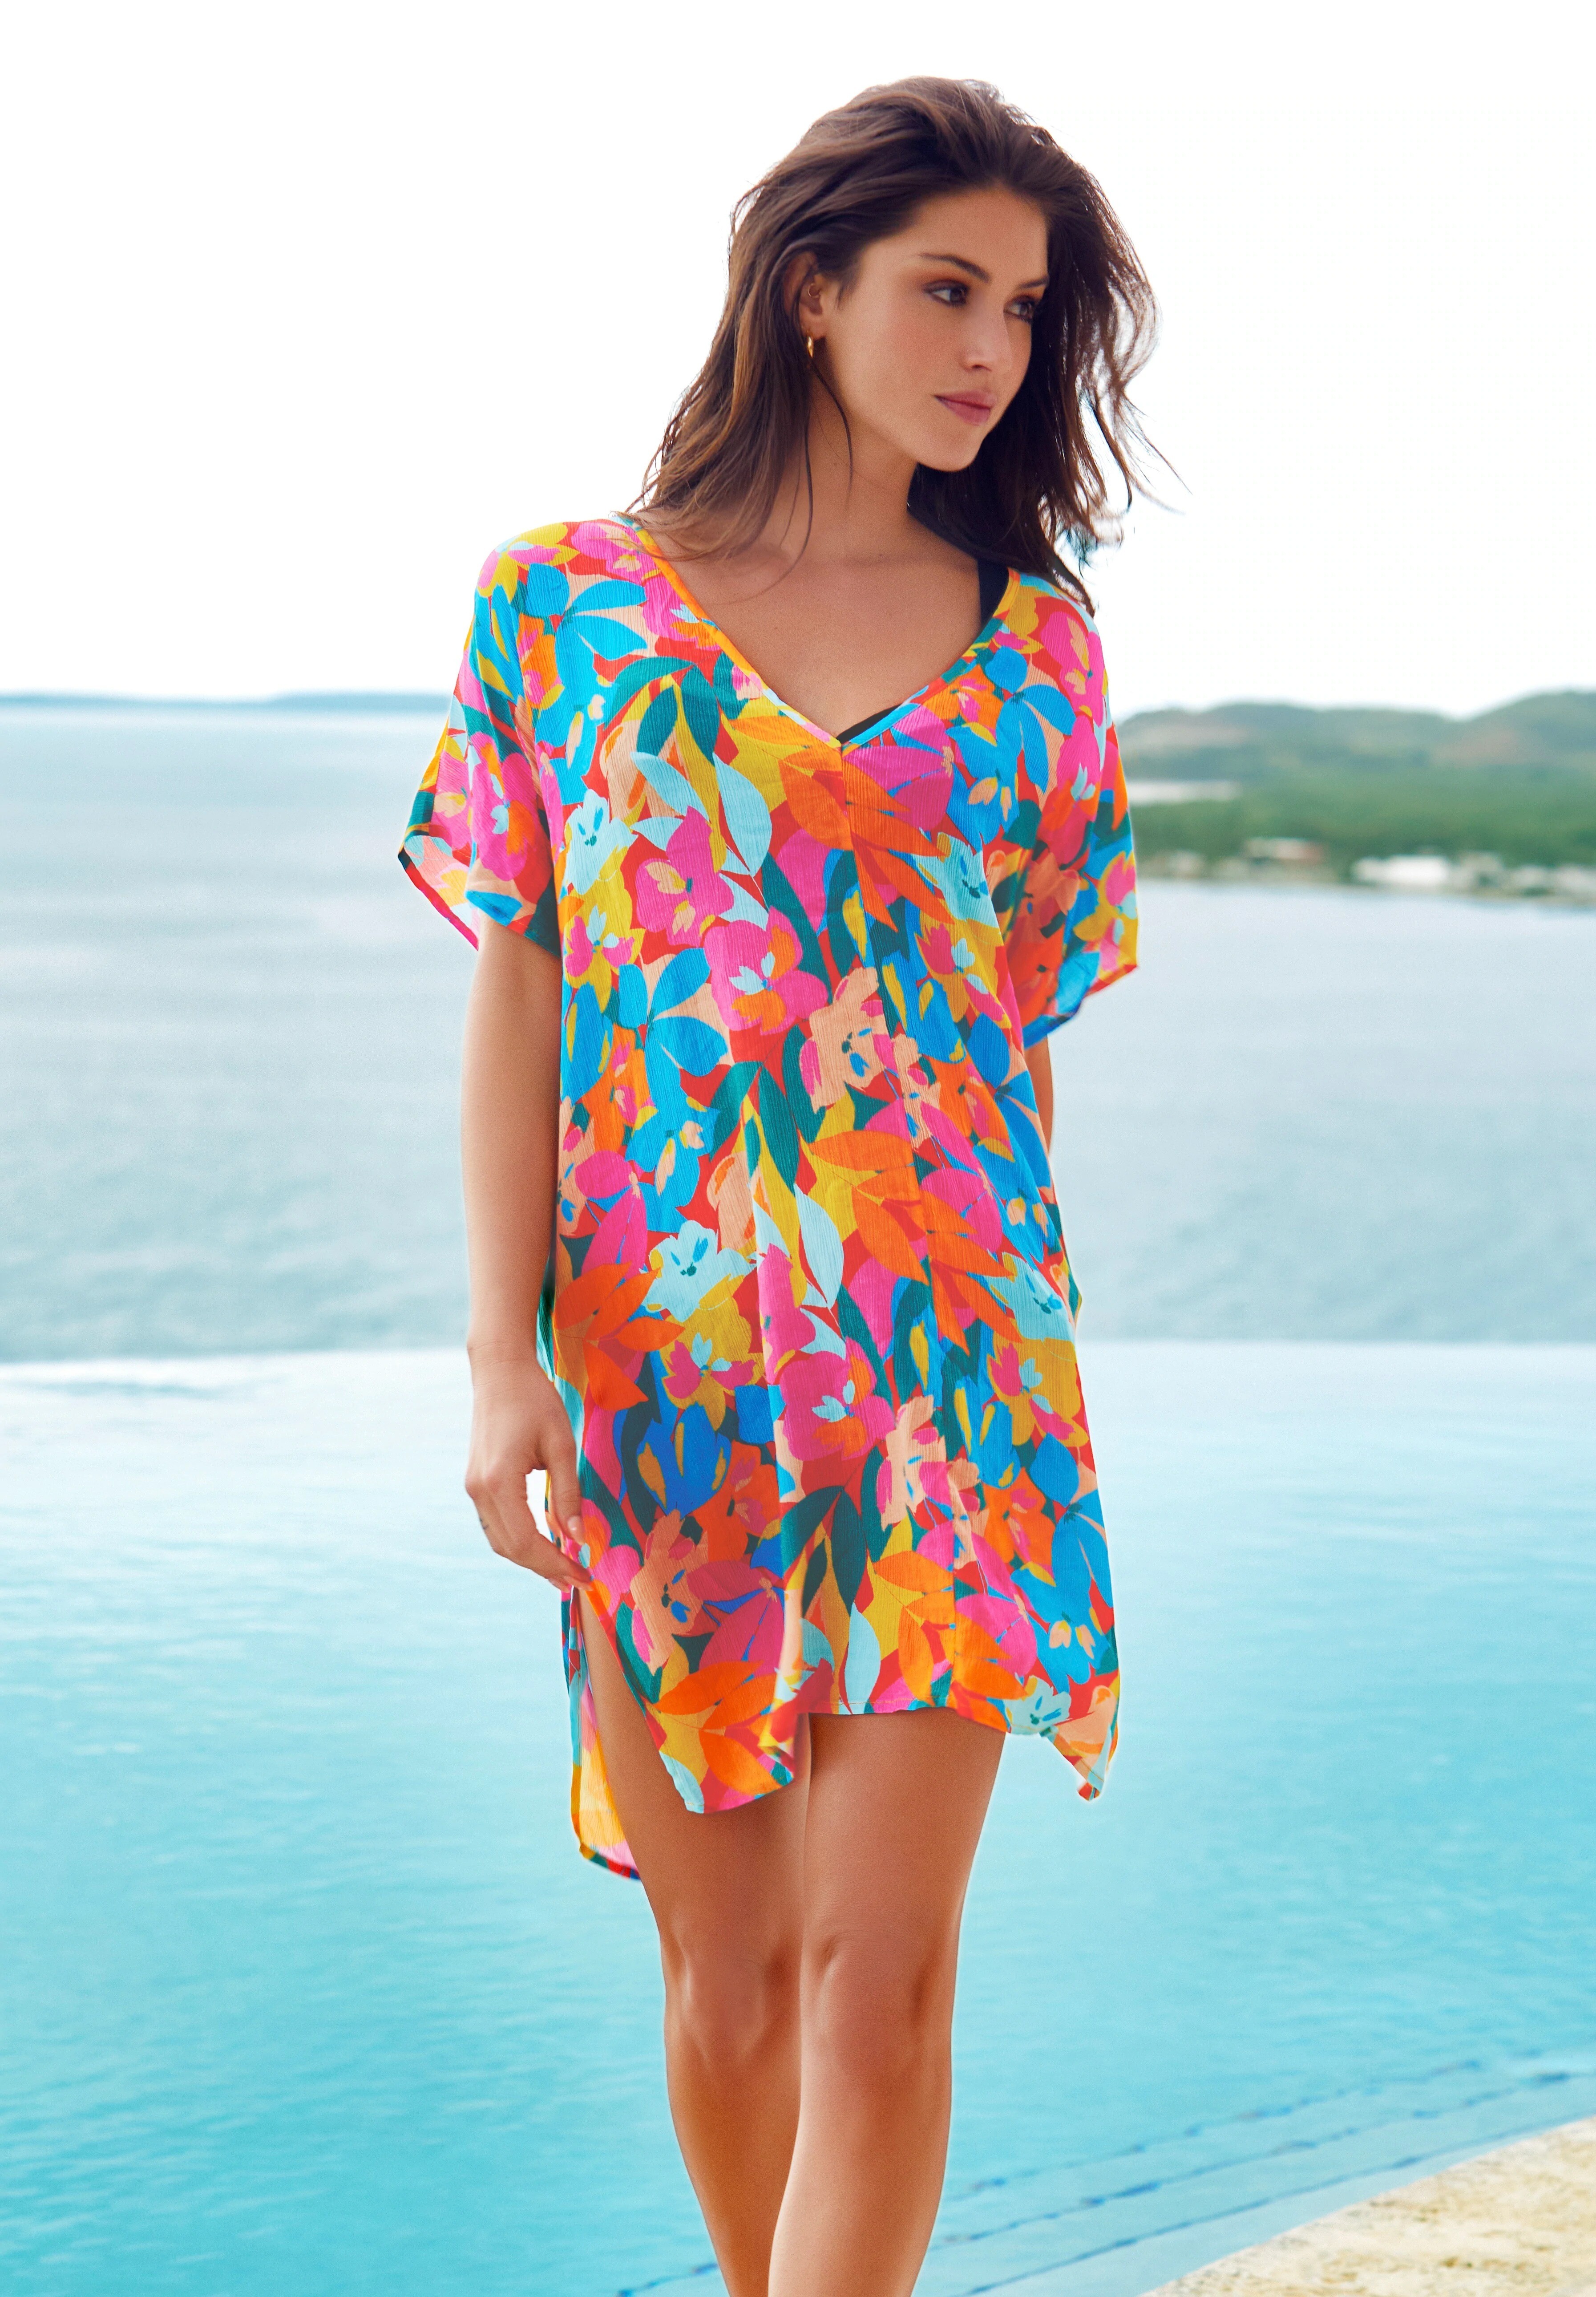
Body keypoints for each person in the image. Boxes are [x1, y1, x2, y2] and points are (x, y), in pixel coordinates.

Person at [401, 74, 1154, 2297]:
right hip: (661, 1364)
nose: (993, 348)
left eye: (1025, 309)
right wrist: (503, 1361)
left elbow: (1009, 1024)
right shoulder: (567, 605)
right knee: (725, 1983)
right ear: (812, 289)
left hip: (954, 1375)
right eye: (949, 289)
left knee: (878, 1976)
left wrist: (991, 1327)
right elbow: (526, 979)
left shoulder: (1039, 642)